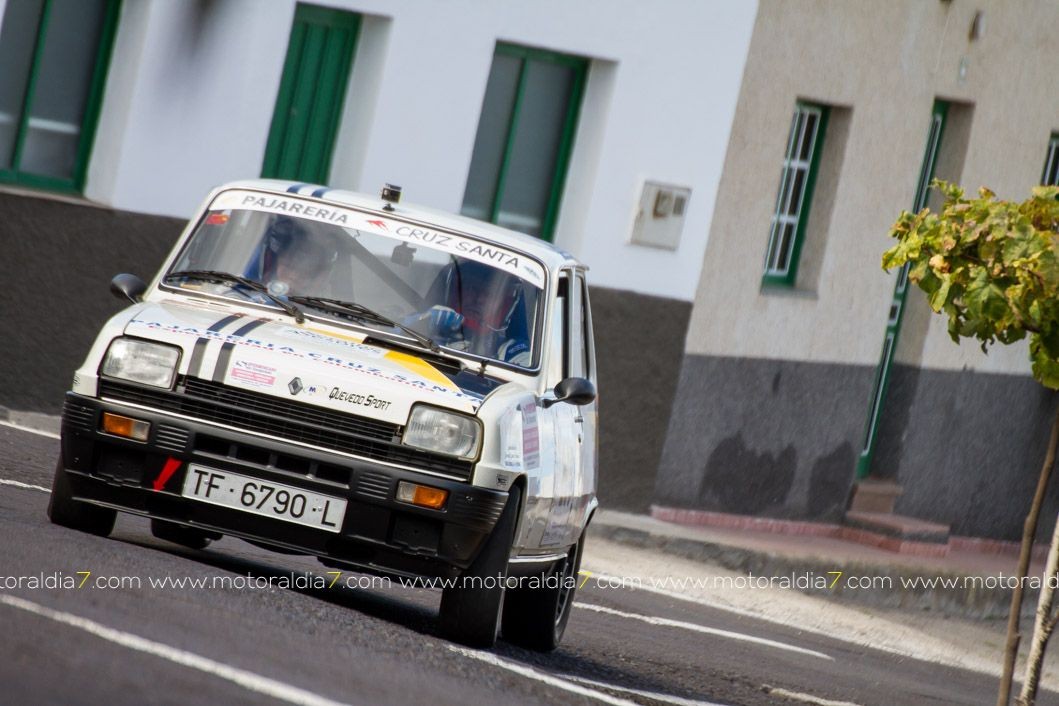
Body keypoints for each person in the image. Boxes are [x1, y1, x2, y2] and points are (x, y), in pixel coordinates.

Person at [411, 259, 531, 366]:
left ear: (504, 304)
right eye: (471, 288)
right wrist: (420, 324)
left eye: (489, 294)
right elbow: (399, 332)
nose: (478, 300)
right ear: (453, 293)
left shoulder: (512, 352)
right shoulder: (424, 323)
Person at [254, 215, 341, 297]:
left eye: (304, 270)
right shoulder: (253, 290)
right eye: (287, 266)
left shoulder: (326, 304)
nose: (293, 276)